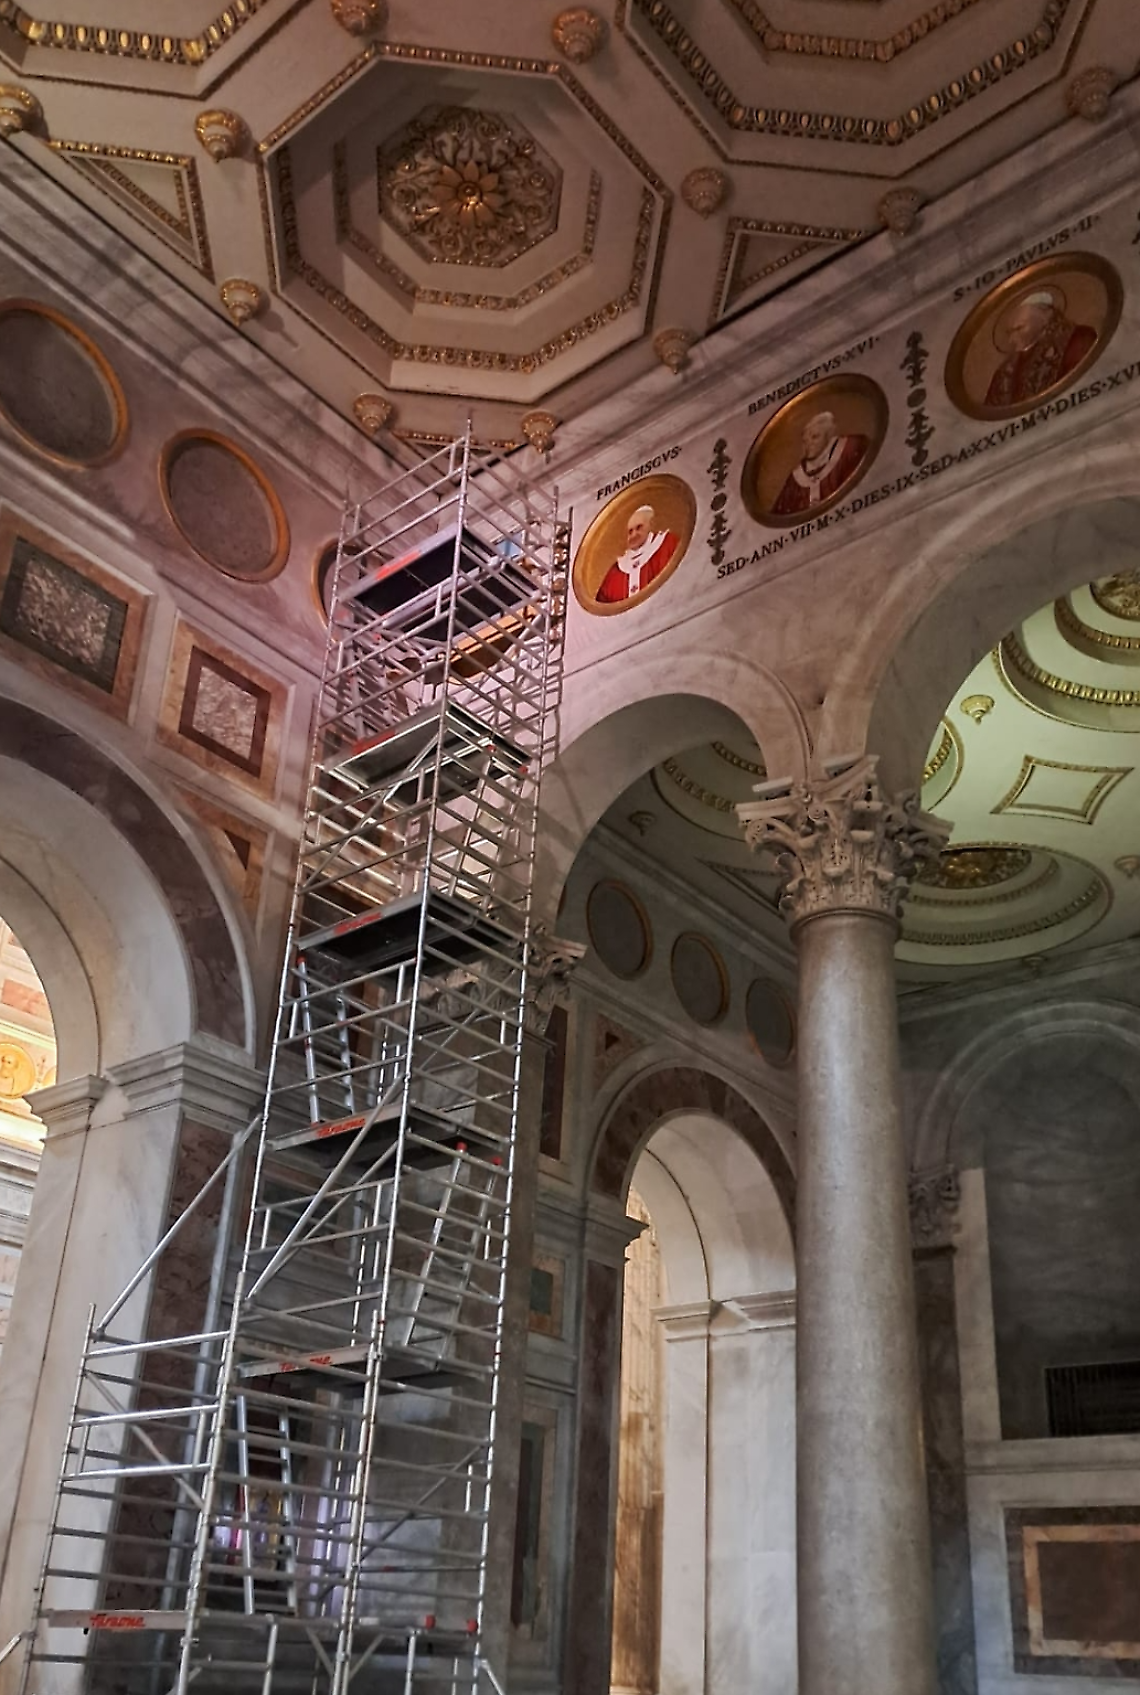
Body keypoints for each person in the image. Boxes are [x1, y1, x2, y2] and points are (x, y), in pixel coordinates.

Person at [983, 289, 1097, 409]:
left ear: (1046, 316)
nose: (1012, 339)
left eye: (1019, 328)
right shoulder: (1004, 371)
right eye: (1009, 332)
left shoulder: (1078, 339)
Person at [771, 411, 868, 517]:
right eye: (805, 441)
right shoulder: (796, 478)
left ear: (829, 436)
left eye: (815, 437)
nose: (809, 444)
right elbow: (781, 515)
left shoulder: (850, 449)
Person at [595, 505, 678, 604]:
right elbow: (603, 605)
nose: (634, 534)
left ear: (650, 525)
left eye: (639, 527)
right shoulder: (617, 569)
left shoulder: (667, 543)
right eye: (630, 531)